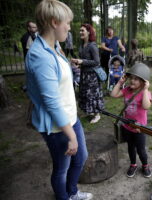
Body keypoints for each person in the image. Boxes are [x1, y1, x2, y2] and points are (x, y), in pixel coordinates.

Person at [25, 1, 92, 200]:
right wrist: (71, 136)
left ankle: (72, 193)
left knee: (81, 158)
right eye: (68, 23)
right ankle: (65, 197)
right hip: (57, 127)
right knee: (62, 169)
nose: (70, 27)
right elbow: (52, 103)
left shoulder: (54, 46)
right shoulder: (40, 57)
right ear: (54, 22)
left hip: (70, 118)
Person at [110, 63, 152, 178]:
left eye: (136, 79)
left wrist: (145, 90)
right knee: (130, 147)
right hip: (127, 126)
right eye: (131, 78)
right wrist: (120, 83)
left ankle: (145, 165)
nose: (132, 81)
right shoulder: (127, 90)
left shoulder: (145, 93)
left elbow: (146, 106)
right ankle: (133, 164)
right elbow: (113, 95)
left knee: (141, 149)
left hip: (139, 128)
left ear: (144, 82)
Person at [71, 24, 104, 124]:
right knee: (86, 94)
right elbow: (84, 60)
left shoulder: (92, 45)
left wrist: (82, 62)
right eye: (80, 30)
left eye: (82, 30)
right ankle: (90, 111)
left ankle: (97, 114)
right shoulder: (82, 45)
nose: (80, 32)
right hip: (84, 74)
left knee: (93, 95)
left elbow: (97, 62)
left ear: (88, 32)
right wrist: (79, 64)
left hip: (92, 75)